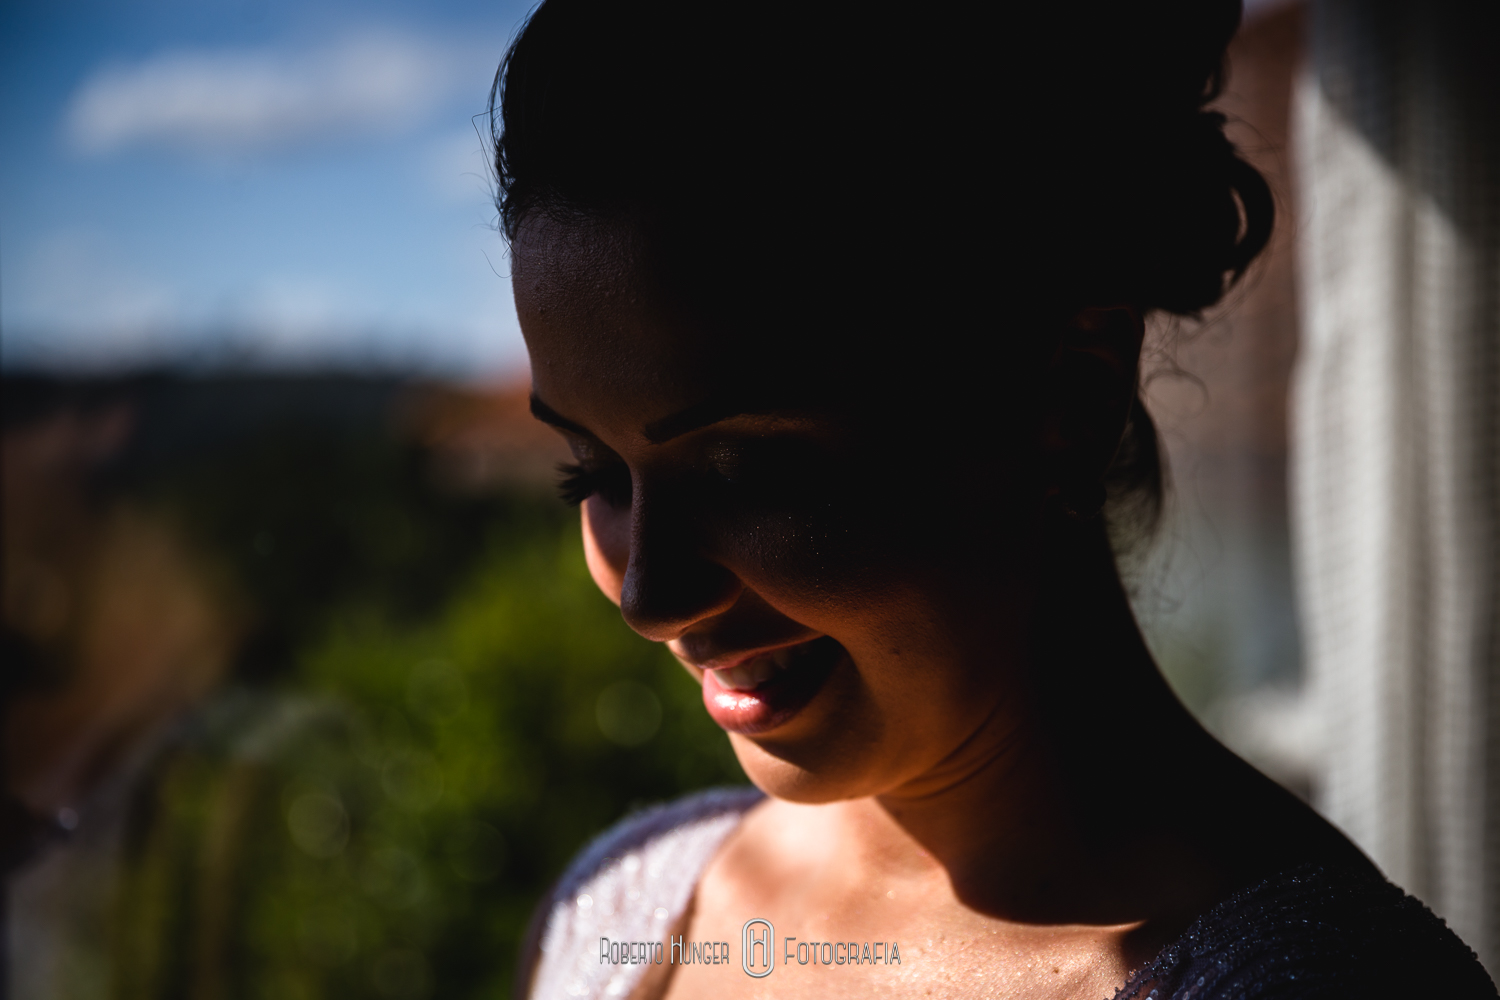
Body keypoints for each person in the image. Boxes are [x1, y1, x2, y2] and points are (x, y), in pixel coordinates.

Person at [492, 1, 1499, 997]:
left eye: (739, 468)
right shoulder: (621, 911)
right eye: (595, 474)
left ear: (1066, 395)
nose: (649, 597)